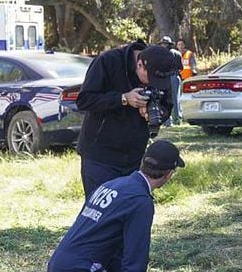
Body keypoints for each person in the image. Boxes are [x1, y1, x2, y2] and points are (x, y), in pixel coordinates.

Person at [47, 140, 185, 272]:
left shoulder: (113, 184)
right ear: (169, 174)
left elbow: (109, 243)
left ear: (142, 163)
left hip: (61, 265)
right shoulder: (140, 201)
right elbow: (134, 260)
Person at [76, 42, 178, 198]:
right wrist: (123, 98)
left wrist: (155, 113)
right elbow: (84, 100)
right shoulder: (108, 61)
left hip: (134, 155)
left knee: (128, 205)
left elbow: (167, 105)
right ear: (140, 64)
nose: (151, 83)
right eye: (149, 78)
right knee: (101, 209)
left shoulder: (160, 65)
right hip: (100, 154)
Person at [160, 36, 183, 126]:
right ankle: (177, 119)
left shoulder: (160, 55)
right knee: (175, 98)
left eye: (164, 44)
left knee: (167, 99)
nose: (163, 45)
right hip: (174, 76)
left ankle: (168, 121)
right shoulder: (177, 53)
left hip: (166, 77)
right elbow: (181, 67)